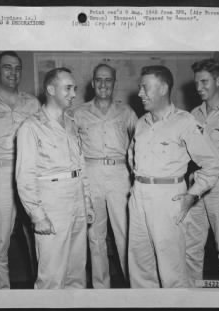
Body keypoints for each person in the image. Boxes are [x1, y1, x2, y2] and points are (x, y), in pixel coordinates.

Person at [127, 65, 219, 288]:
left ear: (162, 88)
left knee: (172, 271)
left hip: (167, 199)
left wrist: (192, 195)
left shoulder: (185, 122)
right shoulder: (141, 123)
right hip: (138, 196)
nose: (140, 93)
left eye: (145, 87)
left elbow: (214, 163)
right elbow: (131, 158)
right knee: (140, 268)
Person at [16, 67, 95, 289]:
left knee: (76, 272)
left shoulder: (71, 123)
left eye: (75, 89)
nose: (73, 94)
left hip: (76, 199)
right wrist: (37, 215)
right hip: (52, 202)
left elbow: (80, 167)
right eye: (68, 88)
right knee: (51, 275)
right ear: (51, 89)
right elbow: (25, 176)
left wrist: (86, 201)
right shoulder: (31, 127)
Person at [70, 64, 137, 288]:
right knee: (95, 236)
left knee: (125, 232)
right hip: (91, 173)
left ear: (114, 83)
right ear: (92, 83)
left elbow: (139, 145)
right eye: (99, 79)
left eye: (108, 80)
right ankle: (101, 289)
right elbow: (72, 149)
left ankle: (133, 286)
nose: (103, 84)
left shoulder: (126, 112)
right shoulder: (78, 114)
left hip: (120, 174)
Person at [0, 51, 40, 288]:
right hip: (0, 176)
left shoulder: (32, 102)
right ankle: (1, 295)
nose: (13, 72)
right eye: (7, 67)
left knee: (38, 237)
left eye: (17, 68)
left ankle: (43, 294)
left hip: (31, 175)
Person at [184, 58, 219, 286]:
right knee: (191, 248)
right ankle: (191, 300)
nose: (199, 88)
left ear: (218, 80)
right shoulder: (192, 115)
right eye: (197, 83)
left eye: (204, 82)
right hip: (197, 185)